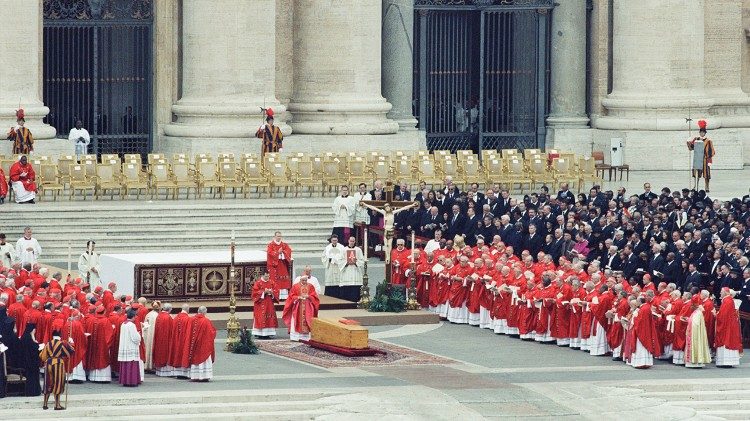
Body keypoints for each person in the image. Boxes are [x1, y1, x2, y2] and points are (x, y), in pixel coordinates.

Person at [40, 330, 73, 410]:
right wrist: (70, 343)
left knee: (48, 383)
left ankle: (45, 404)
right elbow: (69, 353)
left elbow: (43, 356)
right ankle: (57, 405)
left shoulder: (48, 344)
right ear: (60, 336)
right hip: (58, 363)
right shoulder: (62, 344)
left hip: (48, 363)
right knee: (58, 383)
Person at [282, 274, 320, 341]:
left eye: (306, 280)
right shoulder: (295, 286)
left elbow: (314, 296)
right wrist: (298, 297)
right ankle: (296, 337)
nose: (305, 282)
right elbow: (291, 296)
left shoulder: (310, 286)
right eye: (303, 280)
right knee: (297, 319)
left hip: (307, 307)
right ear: (300, 280)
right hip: (298, 306)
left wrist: (308, 296)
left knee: (307, 320)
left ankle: (306, 337)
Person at [714, 287, 742, 367]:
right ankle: (727, 362)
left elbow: (723, 316)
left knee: (726, 341)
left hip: (727, 326)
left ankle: (726, 362)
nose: (720, 293)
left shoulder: (727, 301)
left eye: (721, 292)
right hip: (730, 324)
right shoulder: (728, 300)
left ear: (726, 293)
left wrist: (716, 315)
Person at [186, 306, 216, 381]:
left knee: (194, 358)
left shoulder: (191, 319)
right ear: (204, 312)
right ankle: (204, 376)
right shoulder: (206, 321)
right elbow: (211, 333)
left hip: (193, 345)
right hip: (203, 345)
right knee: (204, 360)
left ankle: (195, 376)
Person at [85, 305, 113, 382]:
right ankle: (103, 378)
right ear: (104, 312)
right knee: (102, 358)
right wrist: (107, 344)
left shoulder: (92, 320)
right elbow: (109, 334)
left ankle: (93, 377)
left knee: (95, 358)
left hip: (93, 345)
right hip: (102, 344)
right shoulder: (106, 321)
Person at [686, 119, 715, 192]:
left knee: (706, 175)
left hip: (705, 159)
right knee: (696, 173)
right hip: (697, 159)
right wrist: (688, 142)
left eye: (703, 132)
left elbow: (711, 151)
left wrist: (709, 159)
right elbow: (691, 148)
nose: (702, 133)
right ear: (699, 132)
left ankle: (707, 187)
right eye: (701, 132)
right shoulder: (696, 139)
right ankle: (695, 185)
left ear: (705, 133)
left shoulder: (708, 141)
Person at [334, 236, 365, 302]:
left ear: (355, 242)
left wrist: (356, 261)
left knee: (355, 286)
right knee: (346, 286)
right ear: (348, 241)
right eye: (351, 241)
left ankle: (356, 300)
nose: (352, 242)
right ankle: (346, 301)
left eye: (353, 241)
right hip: (347, 270)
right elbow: (339, 260)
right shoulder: (344, 250)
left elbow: (362, 260)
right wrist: (346, 262)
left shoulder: (358, 250)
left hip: (355, 270)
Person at [684, 295, 711, 368]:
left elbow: (695, 325)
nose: (690, 307)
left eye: (691, 306)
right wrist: (688, 319)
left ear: (694, 306)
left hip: (695, 335)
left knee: (696, 345)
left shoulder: (698, 313)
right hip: (694, 333)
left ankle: (695, 361)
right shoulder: (696, 312)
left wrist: (688, 320)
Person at [117, 309, 143, 387]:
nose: (135, 318)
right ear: (133, 316)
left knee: (125, 364)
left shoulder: (123, 324)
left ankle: (125, 381)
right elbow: (135, 338)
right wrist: (139, 334)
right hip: (130, 346)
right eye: (135, 316)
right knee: (131, 364)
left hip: (124, 346)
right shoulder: (131, 325)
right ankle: (131, 381)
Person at [266, 231, 293, 300]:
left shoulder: (284, 245)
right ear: (274, 236)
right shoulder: (271, 245)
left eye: (280, 236)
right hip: (274, 266)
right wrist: (278, 252)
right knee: (275, 280)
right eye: (278, 236)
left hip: (282, 265)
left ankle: (283, 296)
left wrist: (283, 252)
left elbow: (289, 251)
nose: (279, 237)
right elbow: (269, 253)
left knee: (283, 280)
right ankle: (275, 296)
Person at [252, 272, 279, 338]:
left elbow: (276, 290)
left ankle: (268, 333)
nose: (267, 278)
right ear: (262, 275)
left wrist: (272, 292)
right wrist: (264, 292)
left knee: (269, 317)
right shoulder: (258, 283)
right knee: (261, 317)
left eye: (268, 276)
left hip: (269, 303)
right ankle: (259, 333)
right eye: (266, 276)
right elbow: (254, 293)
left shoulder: (271, 282)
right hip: (260, 304)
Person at [152, 303, 174, 377]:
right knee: (165, 353)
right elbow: (171, 330)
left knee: (159, 353)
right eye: (171, 309)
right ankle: (167, 372)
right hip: (166, 339)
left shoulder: (159, 316)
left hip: (159, 338)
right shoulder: (168, 317)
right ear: (169, 309)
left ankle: (159, 371)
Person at [169, 304, 191, 378]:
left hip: (176, 340)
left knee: (176, 354)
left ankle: (177, 373)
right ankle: (184, 373)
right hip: (184, 341)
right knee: (183, 355)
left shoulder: (175, 318)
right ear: (187, 309)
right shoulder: (188, 319)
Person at [19, 323, 41, 396]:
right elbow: (33, 349)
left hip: (25, 361)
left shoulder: (24, 336)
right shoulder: (29, 337)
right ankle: (33, 391)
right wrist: (36, 343)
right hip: (30, 363)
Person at [142, 301, 160, 372]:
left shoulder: (148, 314)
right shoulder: (157, 315)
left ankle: (146, 365)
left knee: (147, 348)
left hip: (147, 335)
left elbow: (145, 326)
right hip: (153, 334)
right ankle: (152, 365)